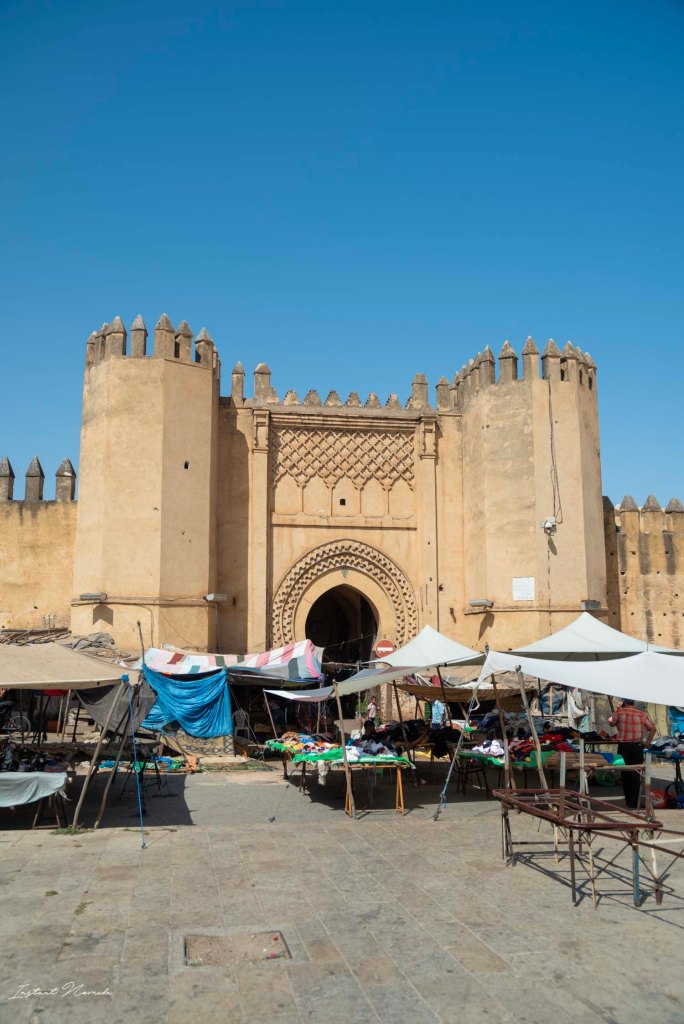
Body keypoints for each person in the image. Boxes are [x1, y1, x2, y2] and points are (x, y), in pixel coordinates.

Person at [608, 698, 656, 809]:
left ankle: (629, 801)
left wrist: (616, 710)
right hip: (637, 747)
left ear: (624, 702)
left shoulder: (619, 712)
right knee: (636, 774)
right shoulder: (641, 714)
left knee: (625, 774)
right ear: (633, 703)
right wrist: (647, 743)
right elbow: (653, 729)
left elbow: (611, 722)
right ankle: (635, 801)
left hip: (623, 747)